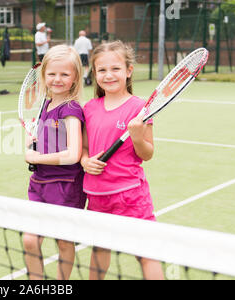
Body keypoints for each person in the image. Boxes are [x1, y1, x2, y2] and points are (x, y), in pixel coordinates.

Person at [80, 40, 164, 280]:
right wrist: (85, 161)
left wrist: (137, 137)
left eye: (115, 69)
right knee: (99, 249)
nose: (108, 75)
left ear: (128, 71)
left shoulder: (140, 108)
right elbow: (84, 147)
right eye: (102, 70)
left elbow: (147, 153)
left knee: (146, 253)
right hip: (96, 194)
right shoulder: (89, 108)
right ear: (94, 73)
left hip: (130, 195)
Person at [22, 45, 86, 280]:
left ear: (75, 78)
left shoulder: (71, 110)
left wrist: (36, 156)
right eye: (52, 74)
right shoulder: (43, 107)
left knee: (64, 242)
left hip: (66, 186)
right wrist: (30, 142)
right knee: (30, 239)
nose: (57, 79)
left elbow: (73, 154)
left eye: (64, 74)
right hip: (39, 184)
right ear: (44, 76)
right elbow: (34, 143)